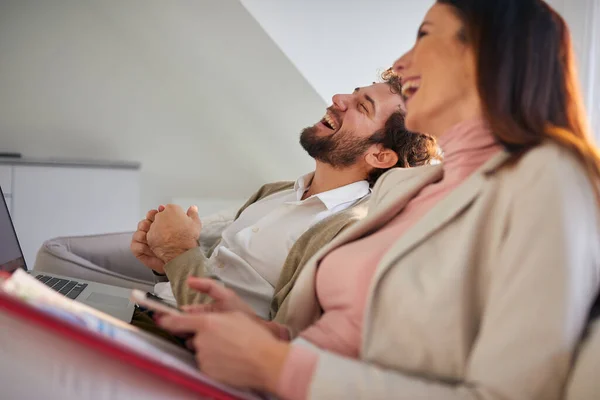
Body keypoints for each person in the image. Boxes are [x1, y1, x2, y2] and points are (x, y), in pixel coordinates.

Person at [157, 1, 600, 399]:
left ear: (488, 57)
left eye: (423, 36)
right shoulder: (409, 186)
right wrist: (265, 336)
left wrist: (279, 367)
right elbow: (348, 340)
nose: (400, 65)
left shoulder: (549, 175)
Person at [131, 78, 439, 320]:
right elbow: (204, 272)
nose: (338, 99)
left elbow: (268, 342)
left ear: (381, 155)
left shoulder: (347, 234)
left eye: (363, 106)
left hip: (179, 347)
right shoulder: (274, 192)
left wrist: (178, 252)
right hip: (149, 307)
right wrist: (165, 265)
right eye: (353, 92)